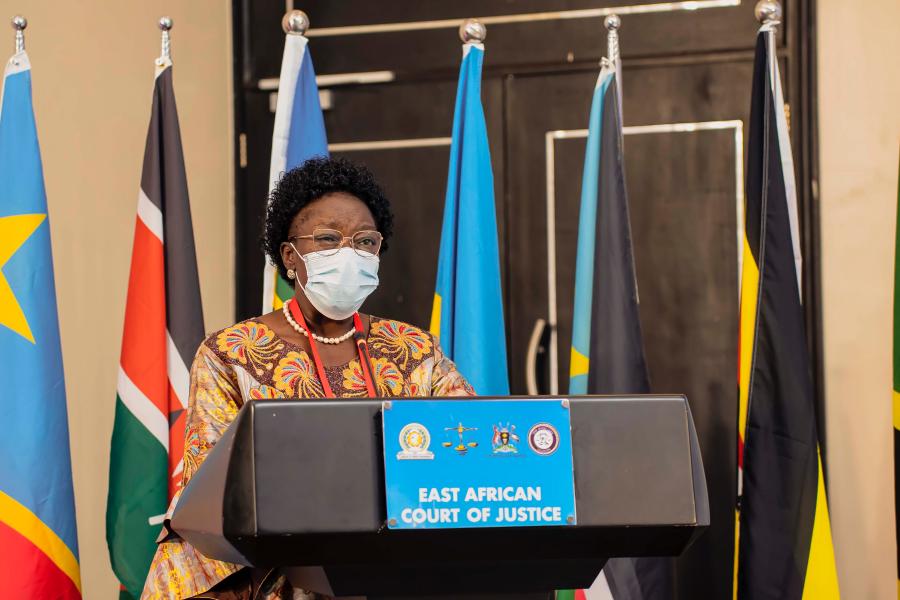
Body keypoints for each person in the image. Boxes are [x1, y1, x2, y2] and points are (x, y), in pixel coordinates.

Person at [141, 157, 474, 599]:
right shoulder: (233, 353)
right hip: (272, 572)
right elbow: (216, 489)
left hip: (398, 564)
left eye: (365, 241)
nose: (349, 253)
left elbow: (471, 445)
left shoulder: (413, 349)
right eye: (328, 239)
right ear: (289, 257)